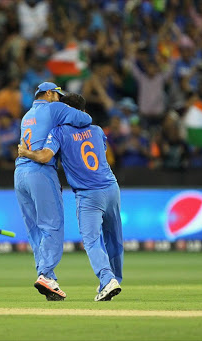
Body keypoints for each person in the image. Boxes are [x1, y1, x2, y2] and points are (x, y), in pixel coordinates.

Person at [18, 93, 123, 301]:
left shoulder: (58, 132)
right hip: (111, 187)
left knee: (92, 241)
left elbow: (45, 156)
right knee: (114, 237)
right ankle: (115, 278)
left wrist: (25, 152)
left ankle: (107, 279)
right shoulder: (97, 130)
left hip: (88, 195)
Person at [15, 82, 92, 301]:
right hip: (40, 172)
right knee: (52, 225)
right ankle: (46, 275)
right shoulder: (53, 108)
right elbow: (85, 119)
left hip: (20, 173)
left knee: (35, 230)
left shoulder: (27, 114)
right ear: (49, 93)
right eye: (58, 95)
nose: (60, 99)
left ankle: (47, 276)